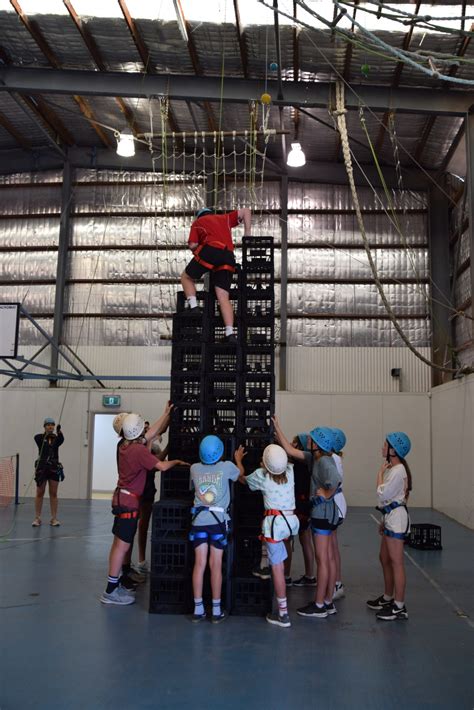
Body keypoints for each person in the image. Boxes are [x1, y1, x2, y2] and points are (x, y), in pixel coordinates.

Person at [100, 412, 187, 606]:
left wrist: (165, 413)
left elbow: (151, 432)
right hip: (129, 503)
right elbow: (162, 467)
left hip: (121, 498)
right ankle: (110, 591)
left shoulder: (123, 444)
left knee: (118, 546)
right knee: (121, 547)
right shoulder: (139, 451)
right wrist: (176, 462)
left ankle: (115, 583)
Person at [272, 418, 342, 619]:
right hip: (326, 515)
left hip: (322, 515)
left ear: (318, 444)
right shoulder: (315, 458)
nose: (308, 440)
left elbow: (336, 481)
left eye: (312, 439)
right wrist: (277, 427)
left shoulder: (325, 462)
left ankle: (319, 605)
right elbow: (290, 450)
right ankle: (327, 602)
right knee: (326, 558)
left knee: (323, 560)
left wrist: (326, 495)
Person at [235, 443, 299, 628]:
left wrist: (239, 460)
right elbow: (282, 463)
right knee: (277, 546)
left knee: (276, 569)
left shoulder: (261, 476)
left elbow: (242, 479)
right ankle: (264, 563)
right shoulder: (291, 470)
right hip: (290, 521)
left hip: (275, 526)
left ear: (265, 463)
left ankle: (283, 614)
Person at [180, 207, 251, 343]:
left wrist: (200, 247)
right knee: (223, 297)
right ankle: (230, 333)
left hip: (212, 250)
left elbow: (193, 245)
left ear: (199, 216)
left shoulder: (197, 223)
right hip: (228, 256)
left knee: (186, 277)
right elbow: (246, 211)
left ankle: (194, 307)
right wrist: (247, 234)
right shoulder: (224, 218)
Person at [189, 435, 241, 623]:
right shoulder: (227, 467)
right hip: (218, 522)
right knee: (215, 564)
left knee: (200, 563)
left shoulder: (194, 468)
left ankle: (198, 608)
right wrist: (239, 461)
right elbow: (240, 476)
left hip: (199, 521)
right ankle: (216, 610)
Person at [367, 432, 412, 621]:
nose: (382, 448)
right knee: (384, 558)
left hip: (397, 519)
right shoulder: (395, 470)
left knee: (396, 562)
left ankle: (399, 606)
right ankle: (388, 597)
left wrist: (379, 474)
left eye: (385, 445)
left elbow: (382, 495)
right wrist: (384, 520)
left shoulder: (397, 471)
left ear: (393, 450)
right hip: (390, 517)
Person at [289, 433, 317, 588]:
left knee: (290, 540)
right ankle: (310, 575)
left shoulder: (301, 464)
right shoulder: (305, 463)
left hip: (299, 506)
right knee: (305, 540)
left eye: (294, 442)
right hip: (304, 505)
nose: (292, 445)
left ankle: (286, 576)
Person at [32, 417, 64, 527]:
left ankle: (54, 518)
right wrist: (46, 435)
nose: (50, 426)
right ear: (44, 427)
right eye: (48, 425)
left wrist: (59, 432)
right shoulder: (40, 438)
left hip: (53, 468)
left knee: (53, 493)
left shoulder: (56, 439)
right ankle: (37, 518)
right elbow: (36, 438)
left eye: (52, 425)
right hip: (42, 468)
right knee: (40, 492)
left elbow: (61, 440)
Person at [331, 428, 347, 600]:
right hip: (336, 503)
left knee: (331, 547)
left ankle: (336, 584)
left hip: (335, 504)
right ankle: (336, 582)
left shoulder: (333, 458)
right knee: (332, 546)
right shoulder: (335, 457)